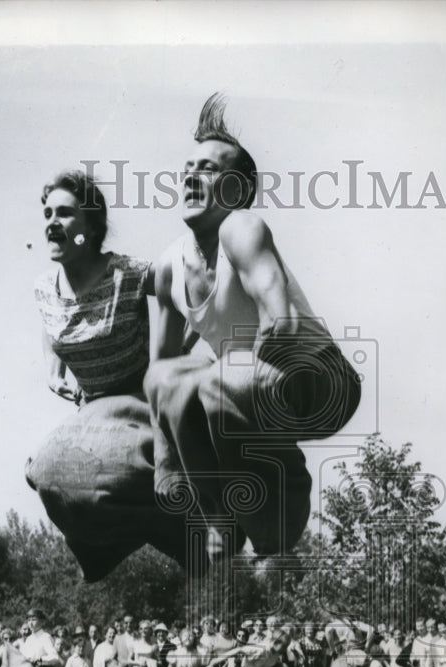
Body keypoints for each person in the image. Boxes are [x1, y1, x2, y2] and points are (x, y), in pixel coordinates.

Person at [144, 93, 361, 563]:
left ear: (237, 191)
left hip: (321, 382)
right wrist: (172, 458)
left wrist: (210, 384)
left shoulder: (241, 228)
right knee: (167, 382)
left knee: (224, 374)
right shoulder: (168, 268)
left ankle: (280, 511)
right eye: (188, 166)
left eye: (209, 168)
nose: (191, 176)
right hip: (247, 389)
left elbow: (281, 322)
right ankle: (218, 514)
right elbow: (161, 376)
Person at [25, 170, 188, 581]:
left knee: (145, 483)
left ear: (92, 227)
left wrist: (177, 351)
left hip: (138, 402)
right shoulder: (45, 287)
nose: (51, 221)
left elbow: (191, 287)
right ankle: (104, 549)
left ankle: (181, 534)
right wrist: (51, 368)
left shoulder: (128, 274)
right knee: (42, 474)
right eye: (47, 212)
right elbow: (50, 323)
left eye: (64, 213)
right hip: (93, 410)